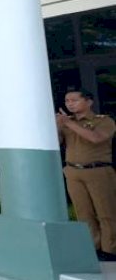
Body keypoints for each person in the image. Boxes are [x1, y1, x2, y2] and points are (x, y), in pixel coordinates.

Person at [55, 89, 115, 261]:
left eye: (74, 100)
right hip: (74, 171)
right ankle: (93, 247)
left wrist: (69, 123)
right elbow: (57, 142)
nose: (70, 104)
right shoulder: (67, 122)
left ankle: (110, 249)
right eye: (67, 101)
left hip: (98, 171)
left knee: (106, 212)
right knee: (84, 213)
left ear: (88, 102)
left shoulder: (103, 121)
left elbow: (96, 138)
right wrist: (59, 127)